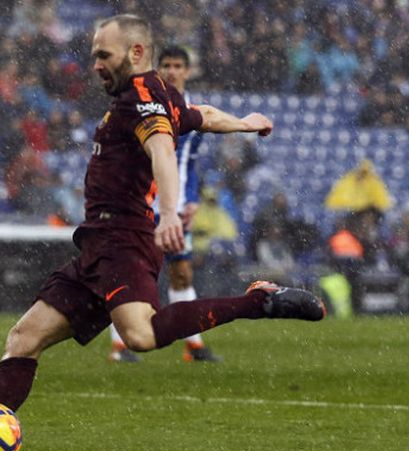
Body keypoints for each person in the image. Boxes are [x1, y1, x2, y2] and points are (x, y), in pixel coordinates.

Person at [0, 14, 326, 414]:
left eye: (104, 55)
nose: (96, 65)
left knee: (140, 335)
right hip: (97, 248)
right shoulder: (158, 94)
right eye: (94, 56)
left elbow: (162, 151)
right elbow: (202, 115)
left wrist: (169, 213)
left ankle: (258, 302)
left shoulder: (142, 99)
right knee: (23, 338)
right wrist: (243, 123)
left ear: (136, 53)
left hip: (123, 240)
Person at [108, 45, 221, 363]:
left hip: (176, 209)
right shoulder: (148, 106)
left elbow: (190, 164)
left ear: (188, 70)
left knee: (181, 273)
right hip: (144, 206)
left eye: (177, 66)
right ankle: (120, 346)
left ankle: (194, 346)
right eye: (166, 65)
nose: (172, 71)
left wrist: (193, 199)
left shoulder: (193, 113)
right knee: (132, 274)